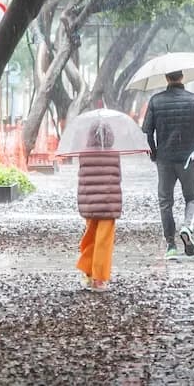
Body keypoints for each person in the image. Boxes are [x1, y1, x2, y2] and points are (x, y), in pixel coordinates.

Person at [142, 70, 194, 259]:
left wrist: (154, 153)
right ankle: (187, 227)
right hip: (188, 158)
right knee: (191, 198)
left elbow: (147, 131)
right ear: (182, 77)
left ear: (166, 78)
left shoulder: (156, 101)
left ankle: (171, 245)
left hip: (164, 159)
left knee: (165, 202)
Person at [76, 123, 122, 292]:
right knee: (104, 240)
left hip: (89, 202)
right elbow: (118, 177)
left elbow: (82, 177)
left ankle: (87, 271)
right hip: (109, 203)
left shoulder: (83, 154)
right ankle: (99, 279)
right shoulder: (114, 154)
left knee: (90, 236)